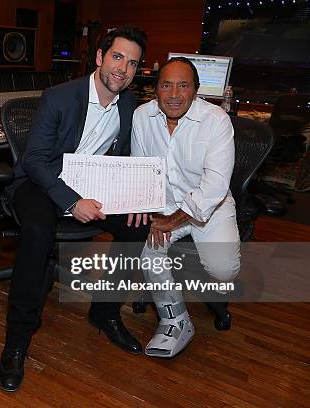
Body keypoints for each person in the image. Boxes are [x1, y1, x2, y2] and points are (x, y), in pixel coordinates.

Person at [0, 26, 149, 392]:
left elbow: (124, 158)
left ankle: (105, 312)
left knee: (137, 226)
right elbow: (34, 160)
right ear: (99, 58)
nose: (123, 69)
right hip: (41, 182)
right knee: (37, 231)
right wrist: (70, 201)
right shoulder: (59, 97)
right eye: (117, 57)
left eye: (132, 63)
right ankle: (17, 339)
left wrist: (135, 199)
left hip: (92, 184)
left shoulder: (128, 104)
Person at [130, 57, 240, 358]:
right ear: (155, 90)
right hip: (165, 204)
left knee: (223, 271)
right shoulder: (142, 117)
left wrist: (173, 221)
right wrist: (153, 211)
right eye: (166, 85)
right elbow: (142, 170)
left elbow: (215, 186)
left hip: (210, 206)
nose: (174, 94)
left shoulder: (216, 120)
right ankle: (175, 320)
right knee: (150, 257)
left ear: (196, 90)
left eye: (183, 85)